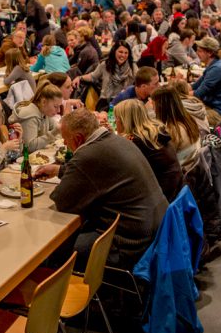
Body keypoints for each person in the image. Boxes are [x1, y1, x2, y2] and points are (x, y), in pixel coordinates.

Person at [34, 109, 166, 269]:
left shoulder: (88, 154)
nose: (65, 144)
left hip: (129, 244)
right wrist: (60, 170)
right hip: (155, 232)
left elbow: (63, 202)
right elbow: (97, 171)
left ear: (78, 138)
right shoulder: (116, 140)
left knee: (52, 252)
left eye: (65, 139)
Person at [113, 99, 183, 201]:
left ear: (125, 120)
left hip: (163, 198)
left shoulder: (137, 142)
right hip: (176, 190)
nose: (115, 122)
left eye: (116, 118)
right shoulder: (154, 131)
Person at [151, 85, 204, 172]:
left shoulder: (172, 131)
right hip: (192, 167)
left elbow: (162, 161)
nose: (153, 108)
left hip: (182, 172)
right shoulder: (189, 120)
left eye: (153, 104)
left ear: (160, 106)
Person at [191, 36, 221, 120]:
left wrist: (178, 94)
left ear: (210, 53)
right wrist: (179, 87)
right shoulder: (213, 65)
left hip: (219, 114)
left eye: (200, 51)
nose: (196, 53)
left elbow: (198, 94)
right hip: (212, 107)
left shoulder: (217, 69)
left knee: (186, 117)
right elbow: (194, 86)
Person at [79, 40, 136, 107]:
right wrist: (80, 78)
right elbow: (93, 76)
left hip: (124, 103)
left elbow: (139, 82)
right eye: (120, 52)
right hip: (106, 101)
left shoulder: (133, 67)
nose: (123, 55)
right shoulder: (105, 65)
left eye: (126, 53)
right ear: (114, 51)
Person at [10, 81, 63, 151]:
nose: (59, 110)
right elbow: (29, 147)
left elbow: (56, 129)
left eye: (59, 106)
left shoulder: (44, 112)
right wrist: (54, 132)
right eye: (55, 106)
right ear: (44, 102)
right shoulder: (30, 116)